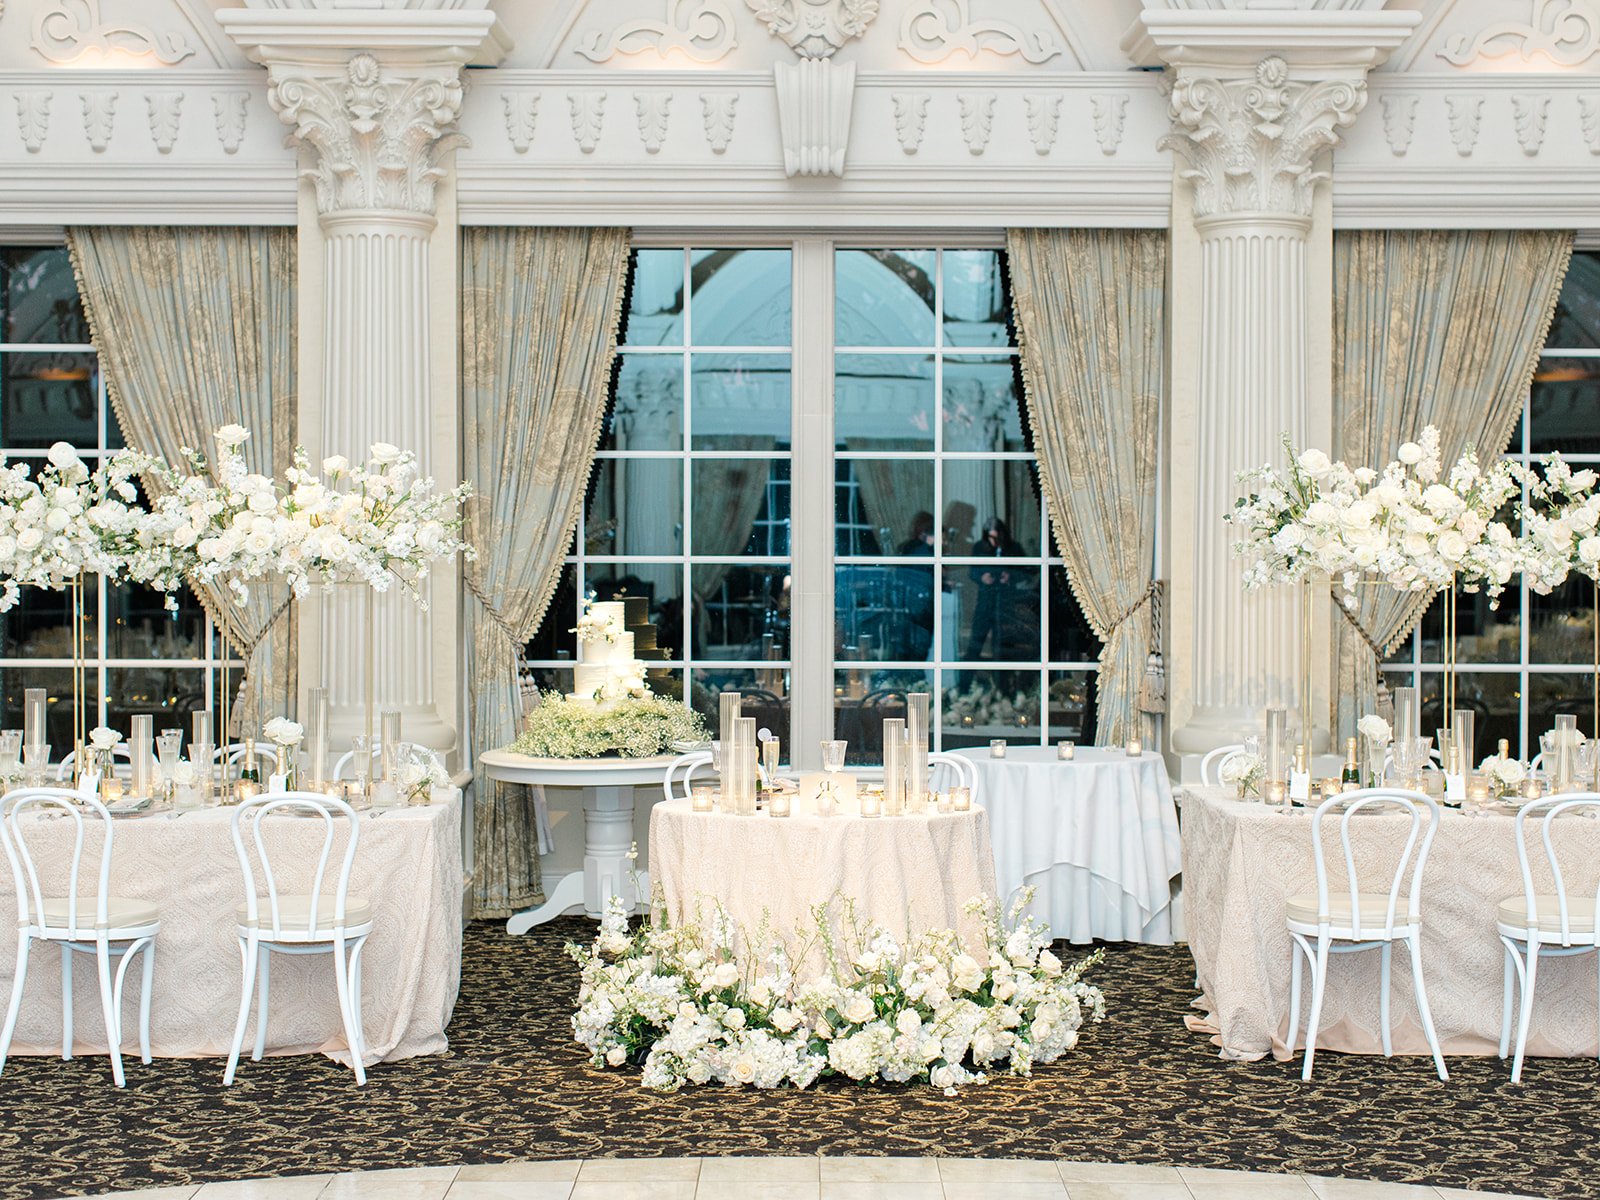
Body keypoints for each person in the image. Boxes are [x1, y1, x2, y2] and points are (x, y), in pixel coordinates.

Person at [963, 517, 1022, 682]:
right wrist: (982, 577)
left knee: (1002, 648)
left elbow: (1028, 568)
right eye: (991, 538)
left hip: (1005, 602)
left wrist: (1010, 576)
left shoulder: (1013, 548)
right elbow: (972, 571)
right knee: (975, 643)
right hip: (985, 601)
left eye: (997, 538)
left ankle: (1003, 688)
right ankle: (965, 685)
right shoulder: (979, 548)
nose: (994, 542)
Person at [895, 512, 936, 660]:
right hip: (921, 605)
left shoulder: (904, 547)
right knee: (920, 649)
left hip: (903, 603)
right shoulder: (926, 551)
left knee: (905, 647)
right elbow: (928, 578)